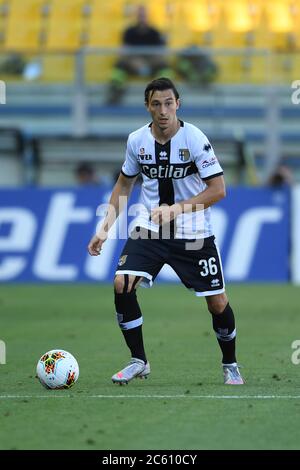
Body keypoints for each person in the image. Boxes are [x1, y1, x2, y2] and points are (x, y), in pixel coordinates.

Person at [88, 77, 244, 386]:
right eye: (156, 104)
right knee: (122, 283)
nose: (163, 111)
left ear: (178, 104)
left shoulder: (195, 139)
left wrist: (176, 209)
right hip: (150, 229)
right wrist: (104, 228)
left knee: (217, 303)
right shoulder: (136, 141)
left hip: (193, 233)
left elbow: (218, 190)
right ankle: (139, 360)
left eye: (168, 103)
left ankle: (230, 363)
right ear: (147, 106)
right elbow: (124, 184)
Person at [107, 5, 171, 104]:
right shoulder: (129, 32)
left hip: (151, 63)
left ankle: (168, 96)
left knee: (165, 67)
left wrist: (148, 62)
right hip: (133, 64)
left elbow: (160, 53)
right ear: (136, 16)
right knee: (119, 66)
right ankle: (115, 93)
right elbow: (124, 51)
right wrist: (134, 61)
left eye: (144, 15)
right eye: (140, 15)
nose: (142, 18)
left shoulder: (154, 32)